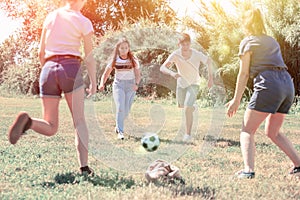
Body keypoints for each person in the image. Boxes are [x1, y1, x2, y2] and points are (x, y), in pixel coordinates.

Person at [7, 0, 97, 175]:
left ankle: (29, 122)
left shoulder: (51, 16)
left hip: (48, 69)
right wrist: (93, 81)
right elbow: (90, 56)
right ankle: (84, 168)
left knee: (51, 126)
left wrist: (48, 73)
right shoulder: (83, 21)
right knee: (79, 121)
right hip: (71, 68)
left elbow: (41, 53)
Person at [226, 8, 300, 179]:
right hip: (287, 83)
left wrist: (236, 100)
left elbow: (243, 73)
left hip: (269, 83)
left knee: (247, 130)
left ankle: (248, 170)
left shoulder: (248, 42)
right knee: (273, 131)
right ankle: (298, 165)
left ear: (246, 23)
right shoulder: (272, 41)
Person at [160, 33, 213, 142]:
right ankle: (192, 107)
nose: (185, 47)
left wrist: (210, 78)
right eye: (182, 44)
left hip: (194, 83)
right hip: (181, 84)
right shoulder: (175, 55)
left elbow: (209, 61)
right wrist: (171, 73)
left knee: (187, 108)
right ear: (178, 44)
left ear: (190, 44)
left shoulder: (196, 54)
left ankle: (187, 135)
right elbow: (163, 67)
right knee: (182, 106)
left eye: (187, 44)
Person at [99, 37, 141, 140]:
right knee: (120, 107)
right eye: (122, 48)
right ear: (118, 49)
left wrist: (136, 83)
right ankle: (121, 132)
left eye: (126, 48)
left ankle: (118, 127)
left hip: (130, 85)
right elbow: (106, 73)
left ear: (128, 48)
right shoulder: (114, 60)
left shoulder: (133, 59)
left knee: (126, 110)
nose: (124, 50)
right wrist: (101, 84)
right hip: (119, 85)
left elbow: (138, 74)